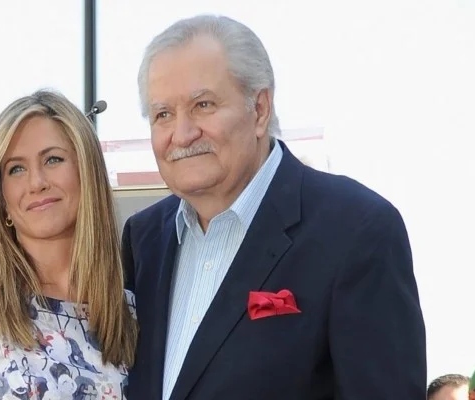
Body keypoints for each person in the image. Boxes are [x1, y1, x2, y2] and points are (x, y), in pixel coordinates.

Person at [122, 14, 426, 399]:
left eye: (203, 105)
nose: (181, 134)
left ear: (260, 109)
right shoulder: (143, 239)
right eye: (163, 114)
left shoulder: (357, 230)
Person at [0, 90, 138, 399]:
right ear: (1, 199)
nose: (36, 182)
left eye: (53, 159)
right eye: (16, 169)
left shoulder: (130, 314)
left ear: (88, 174)